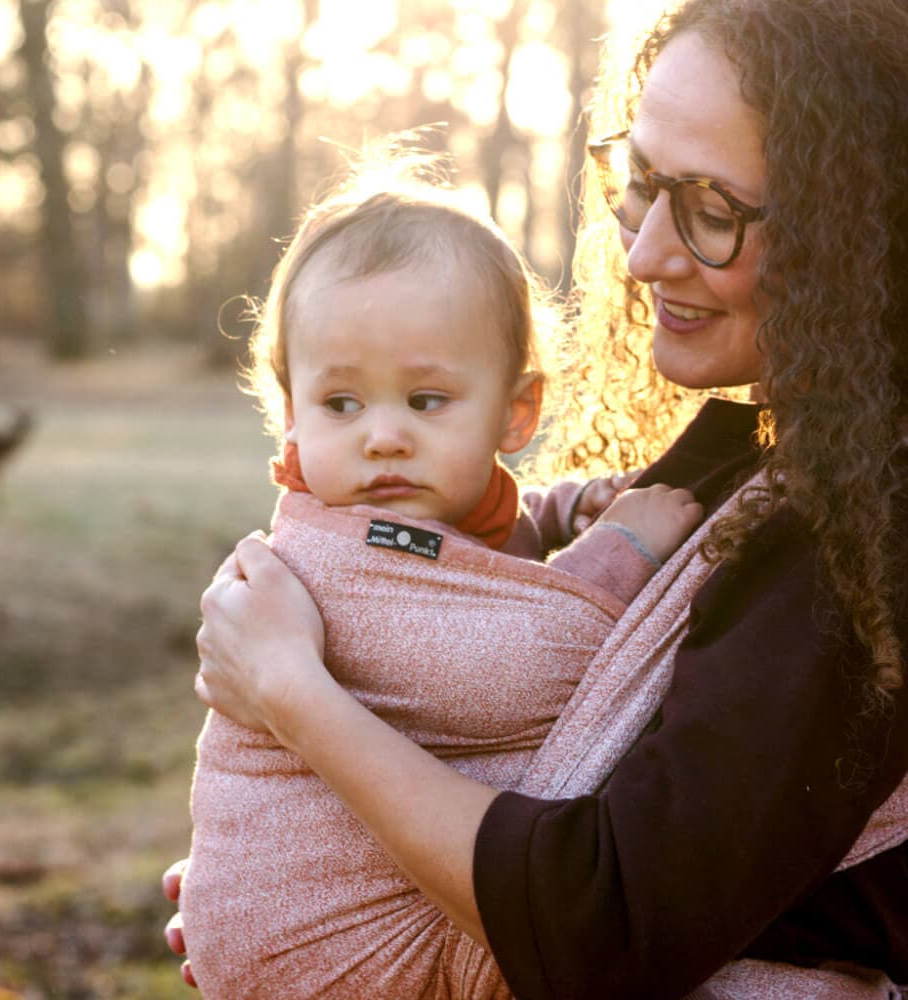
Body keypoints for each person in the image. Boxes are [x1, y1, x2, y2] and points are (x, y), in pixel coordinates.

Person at [168, 0, 908, 995]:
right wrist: (287, 876)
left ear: (859, 225)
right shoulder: (766, 456)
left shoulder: (860, 534)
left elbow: (603, 921)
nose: (643, 252)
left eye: (712, 211)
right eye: (640, 183)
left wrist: (295, 699)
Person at [178, 159, 704, 997]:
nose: (382, 436)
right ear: (290, 413)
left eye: (425, 401)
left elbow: (491, 544)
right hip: (339, 944)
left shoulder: (432, 521)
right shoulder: (322, 560)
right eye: (340, 405)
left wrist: (571, 509)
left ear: (516, 411)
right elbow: (519, 667)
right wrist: (618, 549)